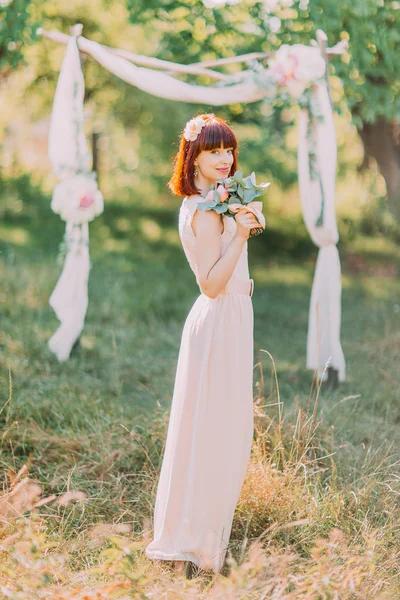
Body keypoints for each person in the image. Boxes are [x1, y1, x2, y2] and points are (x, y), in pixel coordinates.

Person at [145, 113, 262, 576]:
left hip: (231, 317)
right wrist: (242, 233)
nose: (225, 159)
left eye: (229, 150)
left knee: (216, 432)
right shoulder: (205, 210)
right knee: (215, 435)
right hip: (220, 315)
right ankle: (195, 546)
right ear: (192, 156)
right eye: (214, 151)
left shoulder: (210, 202)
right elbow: (211, 283)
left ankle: (199, 538)